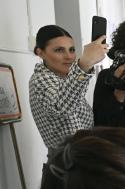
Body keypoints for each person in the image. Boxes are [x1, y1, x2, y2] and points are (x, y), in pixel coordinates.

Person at [29, 25, 107, 153]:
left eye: (72, 50)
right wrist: (84, 65)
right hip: (66, 161)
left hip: (81, 153)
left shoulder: (66, 77)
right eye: (59, 50)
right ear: (40, 52)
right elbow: (61, 107)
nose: (69, 56)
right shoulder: (41, 78)